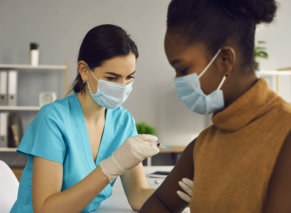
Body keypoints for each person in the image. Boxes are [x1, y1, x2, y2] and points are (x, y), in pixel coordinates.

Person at [140, 0, 291, 212]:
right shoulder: (204, 145)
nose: (178, 81)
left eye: (183, 69)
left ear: (224, 60)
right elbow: (161, 204)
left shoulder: (285, 133)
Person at [11, 24, 161, 213]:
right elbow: (46, 209)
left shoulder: (123, 121)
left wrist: (178, 194)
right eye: (112, 78)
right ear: (84, 70)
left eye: (129, 76)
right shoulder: (53, 120)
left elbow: (138, 196)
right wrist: (110, 168)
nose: (122, 86)